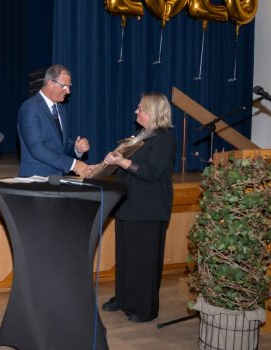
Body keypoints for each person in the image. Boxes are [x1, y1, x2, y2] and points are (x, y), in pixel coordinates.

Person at [95, 92, 175, 323]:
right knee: (127, 258)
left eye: (140, 108)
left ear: (153, 112)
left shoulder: (163, 139)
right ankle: (124, 298)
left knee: (145, 261)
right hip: (128, 205)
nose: (136, 111)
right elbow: (126, 170)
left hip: (149, 209)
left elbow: (151, 174)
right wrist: (109, 162)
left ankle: (144, 308)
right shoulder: (141, 136)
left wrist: (123, 161)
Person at [17, 64, 90, 177]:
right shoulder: (30, 108)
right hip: (35, 180)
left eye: (69, 86)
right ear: (51, 83)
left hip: (58, 179)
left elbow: (61, 145)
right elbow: (36, 148)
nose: (68, 91)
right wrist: (73, 164)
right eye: (64, 86)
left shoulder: (61, 109)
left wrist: (76, 148)